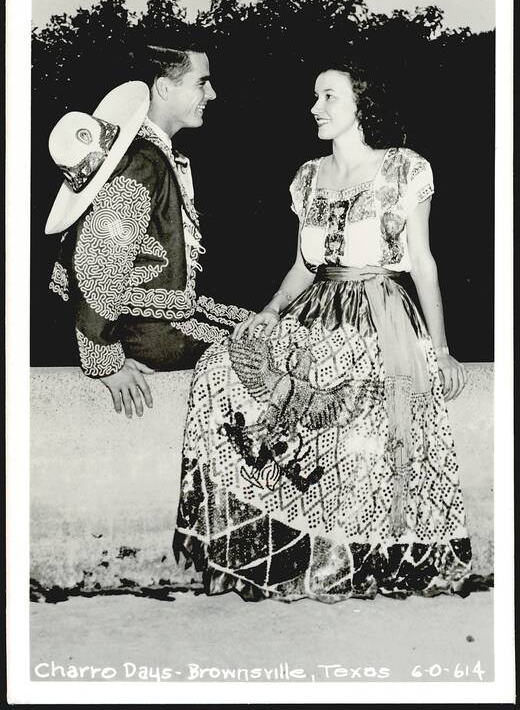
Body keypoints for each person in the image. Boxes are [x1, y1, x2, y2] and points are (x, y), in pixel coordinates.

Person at [173, 60, 481, 602]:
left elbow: (423, 262)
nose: (315, 107)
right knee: (222, 366)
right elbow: (303, 265)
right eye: (316, 97)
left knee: (357, 424)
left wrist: (441, 349)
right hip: (318, 310)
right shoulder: (309, 177)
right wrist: (271, 311)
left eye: (329, 96)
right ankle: (276, 553)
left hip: (380, 315)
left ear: (361, 104)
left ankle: (362, 560)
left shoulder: (404, 169)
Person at [47, 36, 248, 418]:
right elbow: (97, 262)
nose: (212, 94)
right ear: (165, 88)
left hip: (150, 325)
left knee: (262, 327)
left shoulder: (151, 155)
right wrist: (105, 361)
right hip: (146, 334)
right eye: (202, 82)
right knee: (273, 351)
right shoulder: (141, 162)